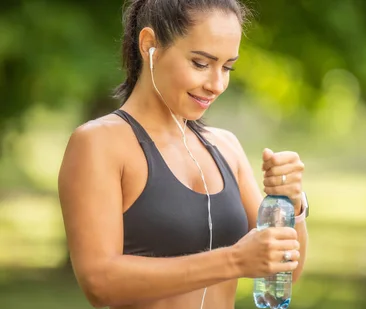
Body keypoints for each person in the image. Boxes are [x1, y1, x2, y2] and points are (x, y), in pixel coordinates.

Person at [57, 0, 309, 308]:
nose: (217, 84)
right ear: (150, 45)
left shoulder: (225, 147)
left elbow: (285, 272)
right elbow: (100, 281)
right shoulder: (100, 143)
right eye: (201, 63)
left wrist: (291, 204)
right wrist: (234, 261)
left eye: (227, 67)